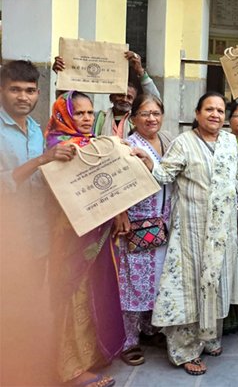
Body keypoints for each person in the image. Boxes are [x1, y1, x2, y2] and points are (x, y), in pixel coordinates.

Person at [134, 92, 238, 376]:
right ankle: (184, 350)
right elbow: (163, 175)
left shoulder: (229, 141)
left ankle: (208, 337)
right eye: (209, 109)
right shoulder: (184, 143)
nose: (215, 115)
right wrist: (148, 163)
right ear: (197, 113)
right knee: (189, 287)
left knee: (215, 283)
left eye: (220, 110)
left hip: (222, 232)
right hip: (192, 231)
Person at [0, 61, 79, 386]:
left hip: (38, 237)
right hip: (9, 238)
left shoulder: (35, 128)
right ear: (2, 90)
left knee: (32, 305)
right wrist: (43, 159)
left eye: (30, 90)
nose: (23, 96)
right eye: (15, 89)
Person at [45, 91, 125, 387]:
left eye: (90, 113)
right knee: (73, 294)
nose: (87, 118)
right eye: (79, 113)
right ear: (64, 115)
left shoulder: (89, 146)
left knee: (94, 291)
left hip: (97, 233)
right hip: (71, 238)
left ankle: (89, 354)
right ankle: (71, 369)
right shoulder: (58, 147)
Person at [115, 94, 174, 366]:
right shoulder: (127, 145)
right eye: (145, 114)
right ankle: (129, 341)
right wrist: (121, 213)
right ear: (134, 117)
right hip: (137, 222)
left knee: (158, 280)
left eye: (156, 113)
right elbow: (116, 184)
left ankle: (150, 330)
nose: (152, 118)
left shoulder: (167, 142)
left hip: (163, 223)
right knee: (133, 282)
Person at [53, 51, 162, 139]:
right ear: (111, 97)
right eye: (120, 95)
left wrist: (140, 72)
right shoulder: (95, 118)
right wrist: (62, 75)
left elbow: (155, 101)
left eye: (129, 97)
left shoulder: (138, 121)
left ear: (134, 101)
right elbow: (66, 108)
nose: (124, 100)